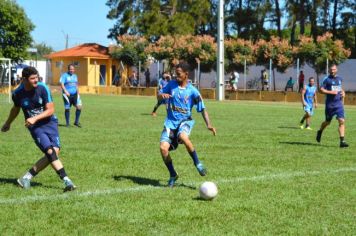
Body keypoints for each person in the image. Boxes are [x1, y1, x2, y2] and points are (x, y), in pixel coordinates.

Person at [1, 67, 76, 191]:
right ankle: (67, 181)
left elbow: (51, 110)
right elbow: (16, 108)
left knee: (54, 152)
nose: (36, 80)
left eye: (37, 77)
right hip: (35, 127)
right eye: (32, 78)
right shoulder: (17, 93)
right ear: (24, 79)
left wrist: (34, 118)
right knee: (50, 152)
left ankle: (26, 177)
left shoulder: (43, 88)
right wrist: (8, 123)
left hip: (50, 122)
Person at [158, 62, 216, 187]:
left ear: (186, 74)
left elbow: (202, 109)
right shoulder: (171, 85)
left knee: (183, 137)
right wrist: (161, 95)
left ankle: (198, 163)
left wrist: (209, 125)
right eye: (175, 73)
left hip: (185, 121)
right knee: (163, 149)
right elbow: (159, 96)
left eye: (178, 74)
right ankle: (173, 174)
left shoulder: (193, 91)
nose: (175, 76)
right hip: (170, 123)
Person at [316, 64, 349, 148]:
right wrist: (331, 92)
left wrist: (343, 92)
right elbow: (321, 90)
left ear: (336, 70)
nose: (332, 71)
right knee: (327, 122)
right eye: (331, 69)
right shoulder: (326, 79)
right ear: (329, 70)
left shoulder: (340, 79)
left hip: (339, 104)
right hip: (330, 105)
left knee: (341, 120)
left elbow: (339, 88)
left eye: (334, 69)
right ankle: (320, 131)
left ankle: (342, 141)